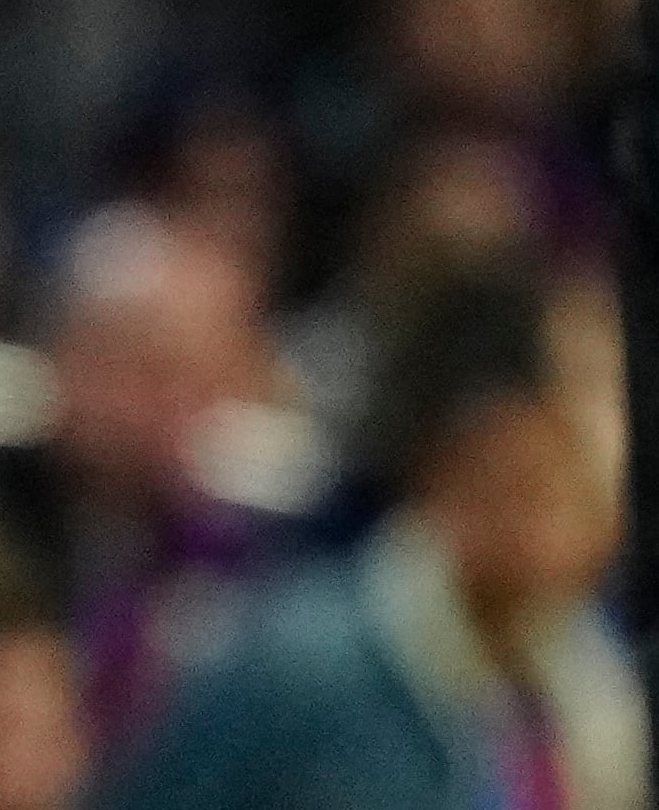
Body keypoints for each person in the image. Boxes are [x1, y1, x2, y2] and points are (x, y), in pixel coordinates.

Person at [97, 261, 644, 810]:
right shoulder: (302, 660)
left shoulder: (596, 687)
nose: (610, 438)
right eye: (524, 484)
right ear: (457, 468)